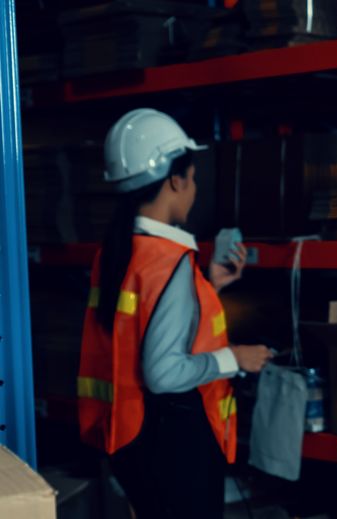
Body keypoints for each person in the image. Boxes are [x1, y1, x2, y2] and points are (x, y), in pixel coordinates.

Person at [77, 109, 273, 518]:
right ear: (174, 180)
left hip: (131, 437)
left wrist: (209, 284)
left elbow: (142, 323)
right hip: (172, 441)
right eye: (193, 178)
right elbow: (163, 373)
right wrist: (234, 358)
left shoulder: (119, 251)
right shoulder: (170, 262)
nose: (194, 189)